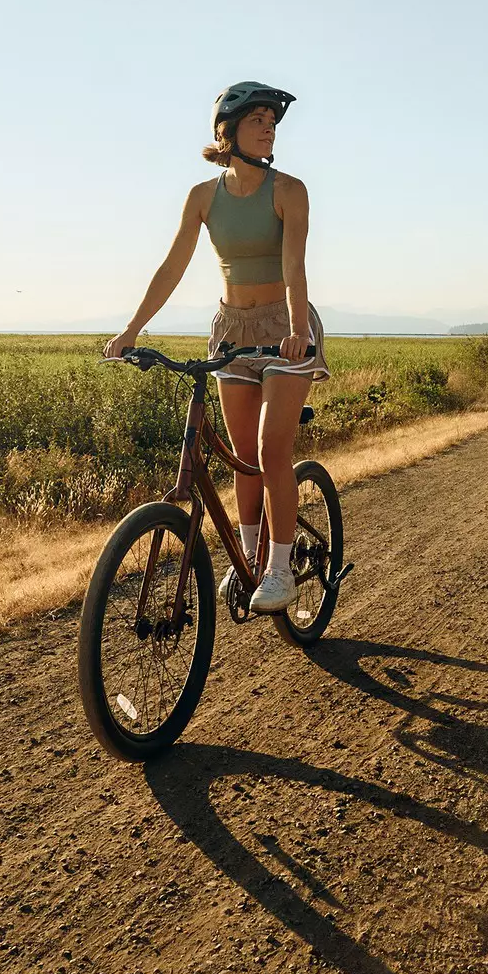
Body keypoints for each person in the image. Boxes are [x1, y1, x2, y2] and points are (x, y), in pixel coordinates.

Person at [104, 82, 329, 613]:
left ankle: (279, 571)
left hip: (284, 327)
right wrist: (132, 330)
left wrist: (298, 331)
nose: (269, 125)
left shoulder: (289, 190)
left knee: (273, 450)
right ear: (226, 131)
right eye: (257, 118)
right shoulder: (203, 197)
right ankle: (247, 560)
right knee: (243, 459)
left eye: (272, 119)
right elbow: (172, 265)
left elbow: (294, 267)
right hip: (231, 330)